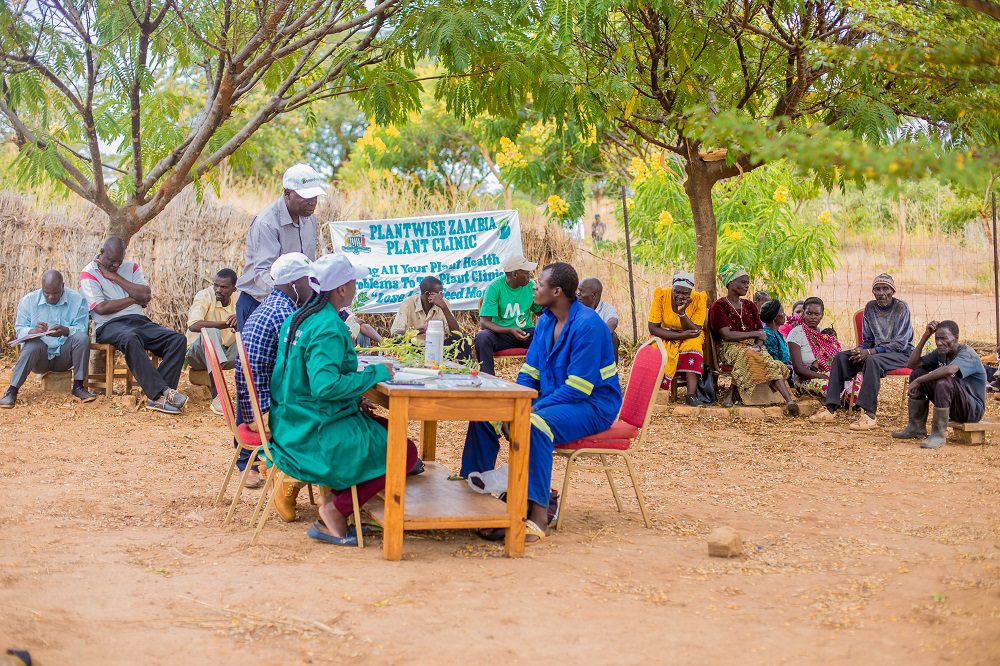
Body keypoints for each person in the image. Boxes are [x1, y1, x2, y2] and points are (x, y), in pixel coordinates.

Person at [268, 253, 421, 546]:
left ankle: (342, 500)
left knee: (389, 432)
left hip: (292, 420)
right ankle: (336, 510)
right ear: (340, 289)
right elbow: (325, 387)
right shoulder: (328, 327)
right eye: (353, 283)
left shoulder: (300, 317)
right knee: (406, 452)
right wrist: (374, 373)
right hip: (312, 430)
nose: (356, 288)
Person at [461, 263, 622, 542]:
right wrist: (516, 401)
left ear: (557, 291)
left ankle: (538, 515)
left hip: (592, 405)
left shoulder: (589, 326)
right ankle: (471, 492)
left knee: (533, 424)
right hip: (554, 399)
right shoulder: (546, 320)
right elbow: (530, 371)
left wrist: (529, 408)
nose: (534, 287)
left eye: (540, 283)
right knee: (487, 411)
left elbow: (579, 388)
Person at [234, 252, 317, 493]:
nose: (312, 286)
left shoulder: (273, 305)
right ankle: (289, 485)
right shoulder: (284, 314)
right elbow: (298, 369)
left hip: (255, 405)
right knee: (332, 418)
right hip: (266, 414)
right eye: (307, 280)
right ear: (293, 284)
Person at [80, 238, 187, 414]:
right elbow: (101, 308)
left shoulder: (131, 268)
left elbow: (146, 294)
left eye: (118, 262)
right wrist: (133, 298)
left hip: (139, 321)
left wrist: (115, 277)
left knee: (177, 340)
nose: (115, 265)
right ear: (102, 252)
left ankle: (158, 397)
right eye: (111, 261)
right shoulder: (89, 273)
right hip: (109, 325)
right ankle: (163, 393)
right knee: (130, 337)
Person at [809, 273, 914, 431]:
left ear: (893, 291)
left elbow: (900, 343)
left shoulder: (901, 308)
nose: (881, 293)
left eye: (885, 288)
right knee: (841, 357)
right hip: (876, 351)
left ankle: (869, 415)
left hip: (901, 353)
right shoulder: (870, 308)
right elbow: (868, 339)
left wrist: (871, 352)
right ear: (873, 292)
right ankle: (830, 409)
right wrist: (861, 350)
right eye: (877, 289)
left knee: (872, 360)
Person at [234, 164, 326, 330]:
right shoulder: (267, 222)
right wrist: (291, 299)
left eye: (315, 196)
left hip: (296, 304)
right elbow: (262, 273)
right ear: (287, 194)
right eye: (306, 197)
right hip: (260, 303)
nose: (313, 202)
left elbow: (308, 265)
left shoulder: (310, 219)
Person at [708, 264, 799, 415]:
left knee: (765, 359)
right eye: (743, 282)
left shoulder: (749, 305)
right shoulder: (719, 306)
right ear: (730, 283)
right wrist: (754, 335)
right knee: (748, 355)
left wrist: (758, 344)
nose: (747, 285)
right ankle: (731, 394)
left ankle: (790, 402)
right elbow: (726, 335)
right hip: (729, 348)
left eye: (747, 282)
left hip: (752, 347)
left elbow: (761, 333)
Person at [1, 270, 95, 408]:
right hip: (40, 359)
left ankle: (78, 387)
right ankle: (12, 391)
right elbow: (20, 329)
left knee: (82, 339)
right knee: (32, 344)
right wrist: (33, 331)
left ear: (63, 286)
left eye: (55, 293)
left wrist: (66, 330)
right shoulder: (28, 301)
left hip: (65, 356)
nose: (51, 297)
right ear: (42, 287)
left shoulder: (77, 300)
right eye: (47, 293)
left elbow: (82, 328)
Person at [892, 320, 987, 449]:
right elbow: (912, 365)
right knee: (917, 373)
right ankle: (916, 427)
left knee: (943, 381)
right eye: (937, 338)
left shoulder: (967, 353)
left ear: (956, 338)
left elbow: (950, 370)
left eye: (944, 338)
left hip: (972, 410)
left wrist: (919, 381)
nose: (939, 342)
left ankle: (938, 435)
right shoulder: (941, 352)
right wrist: (926, 336)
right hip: (953, 407)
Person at [647, 271, 707, 404]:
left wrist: (682, 313)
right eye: (677, 291)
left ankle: (691, 394)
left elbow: (696, 330)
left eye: (685, 293)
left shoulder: (698, 299)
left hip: (690, 334)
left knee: (694, 345)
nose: (680, 296)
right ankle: (656, 389)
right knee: (655, 346)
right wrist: (680, 335)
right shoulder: (661, 295)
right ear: (672, 288)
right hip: (665, 332)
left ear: (691, 292)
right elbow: (653, 328)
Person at [475, 254, 541, 375]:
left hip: (525, 331)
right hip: (501, 334)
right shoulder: (494, 287)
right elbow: (484, 323)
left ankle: (541, 378)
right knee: (482, 337)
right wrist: (510, 330)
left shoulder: (531, 286)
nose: (529, 275)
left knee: (545, 336)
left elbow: (540, 311)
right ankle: (488, 381)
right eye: (526, 272)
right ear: (515, 274)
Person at [184, 268, 239, 415]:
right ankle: (218, 397)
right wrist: (225, 324)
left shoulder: (239, 299)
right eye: (216, 285)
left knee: (250, 336)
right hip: (197, 354)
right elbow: (193, 325)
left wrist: (241, 320)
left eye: (224, 287)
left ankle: (254, 393)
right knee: (211, 331)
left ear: (234, 288)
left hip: (225, 354)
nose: (218, 290)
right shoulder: (205, 296)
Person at [785, 297, 858, 401]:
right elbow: (798, 369)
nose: (813, 317)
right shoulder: (795, 334)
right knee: (833, 388)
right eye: (809, 313)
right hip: (804, 380)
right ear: (803, 314)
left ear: (822, 315)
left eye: (816, 314)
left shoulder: (822, 334)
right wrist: (826, 378)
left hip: (827, 375)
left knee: (856, 389)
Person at [389, 276, 470, 359]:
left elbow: (456, 332)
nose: (441, 296)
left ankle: (459, 368)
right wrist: (420, 330)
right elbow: (395, 333)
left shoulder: (444, 303)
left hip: (439, 348)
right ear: (428, 294)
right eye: (439, 293)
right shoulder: (408, 303)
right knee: (397, 342)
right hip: (413, 348)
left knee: (463, 339)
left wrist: (444, 308)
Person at [577, 277, 621, 362]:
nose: (578, 294)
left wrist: (596, 337)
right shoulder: (575, 306)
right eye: (578, 290)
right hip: (580, 346)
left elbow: (613, 322)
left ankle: (610, 370)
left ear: (593, 296)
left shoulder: (606, 309)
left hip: (598, 346)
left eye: (582, 291)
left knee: (613, 337)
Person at [759, 300, 791, 366]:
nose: (784, 314)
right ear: (775, 316)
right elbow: (774, 362)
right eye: (782, 311)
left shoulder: (778, 334)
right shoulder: (768, 335)